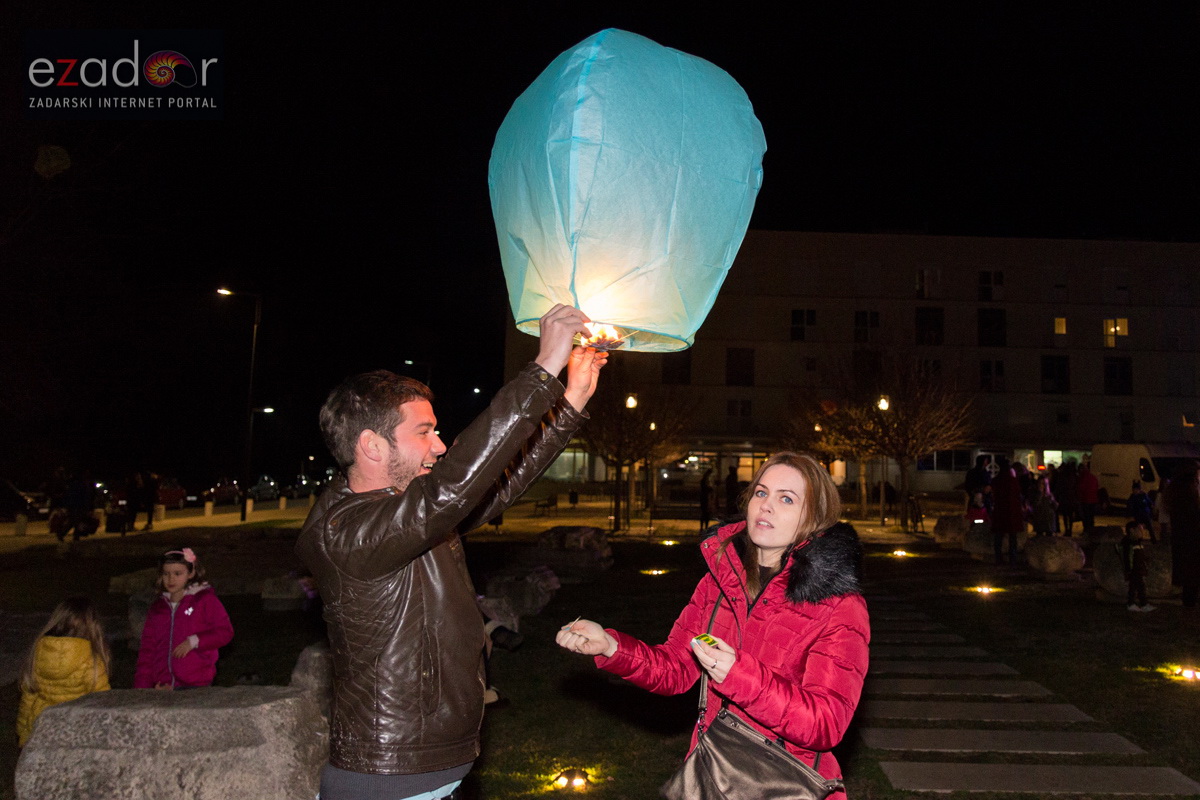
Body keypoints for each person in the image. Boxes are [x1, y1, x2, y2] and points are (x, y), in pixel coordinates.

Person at [296, 304, 605, 800]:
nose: (439, 447)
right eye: (424, 433)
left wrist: (568, 402)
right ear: (372, 446)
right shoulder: (347, 531)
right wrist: (542, 370)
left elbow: (493, 485)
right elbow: (451, 489)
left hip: (431, 770)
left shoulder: (406, 516)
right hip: (390, 779)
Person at [556, 452, 869, 796]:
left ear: (814, 518)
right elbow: (675, 670)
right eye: (761, 493)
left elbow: (826, 724)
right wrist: (612, 647)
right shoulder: (719, 584)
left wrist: (739, 676)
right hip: (713, 777)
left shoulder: (839, 607)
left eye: (786, 499)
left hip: (783, 784)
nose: (766, 506)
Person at [17, 597, 111, 747]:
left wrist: (24, 734)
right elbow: (102, 701)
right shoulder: (92, 660)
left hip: (42, 727)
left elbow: (28, 699)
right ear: (93, 627)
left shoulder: (38, 652)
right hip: (77, 728)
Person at [134, 548, 234, 689]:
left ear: (191, 573)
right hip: (163, 686)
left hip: (196, 684)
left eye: (177, 573)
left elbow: (224, 632)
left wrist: (195, 641)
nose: (171, 579)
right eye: (166, 573)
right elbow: (147, 650)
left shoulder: (203, 600)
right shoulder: (158, 608)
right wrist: (142, 687)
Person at [1165, 461, 1200, 610]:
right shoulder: (1187, 493)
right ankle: (1190, 603)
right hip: (1191, 540)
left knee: (1189, 575)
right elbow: (1193, 517)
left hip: (1184, 540)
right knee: (1192, 573)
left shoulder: (1177, 491)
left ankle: (1189, 602)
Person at [990, 457, 1026, 565]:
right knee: (1012, 537)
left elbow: (994, 495)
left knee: (999, 536)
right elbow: (1017, 495)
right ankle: (1012, 558)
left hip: (1000, 511)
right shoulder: (1013, 481)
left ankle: (998, 557)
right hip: (1012, 511)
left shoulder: (996, 480)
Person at [1120, 521, 1155, 612]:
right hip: (1134, 570)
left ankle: (1139, 604)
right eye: (1139, 530)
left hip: (1138, 569)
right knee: (1138, 587)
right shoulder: (1129, 543)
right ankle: (1136, 604)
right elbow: (1127, 557)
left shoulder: (1137, 542)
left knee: (1137, 587)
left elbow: (1140, 556)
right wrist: (1129, 570)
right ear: (1132, 530)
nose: (1142, 532)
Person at [1077, 464, 1100, 535]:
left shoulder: (1083, 477)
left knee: (1086, 517)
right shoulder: (1093, 477)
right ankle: (1092, 530)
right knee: (1091, 517)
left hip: (1085, 500)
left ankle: (1086, 531)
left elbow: (1081, 488)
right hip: (1093, 500)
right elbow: (1097, 486)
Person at [698, 468, 713, 532]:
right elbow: (707, 489)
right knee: (706, 513)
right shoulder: (705, 481)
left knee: (704, 513)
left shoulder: (704, 480)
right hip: (705, 498)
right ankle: (705, 527)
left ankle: (703, 527)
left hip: (704, 498)